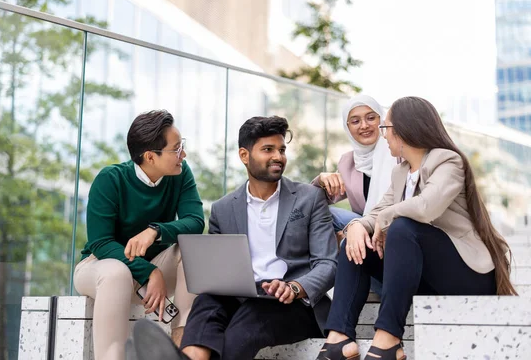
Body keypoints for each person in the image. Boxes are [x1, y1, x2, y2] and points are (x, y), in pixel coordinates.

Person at [316, 97, 516, 360]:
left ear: (404, 130)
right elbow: (376, 213)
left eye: (386, 128)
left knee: (402, 228)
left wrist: (383, 219)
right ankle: (339, 338)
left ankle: (388, 338)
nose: (383, 136)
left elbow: (426, 207)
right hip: (425, 277)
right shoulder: (401, 172)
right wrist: (355, 226)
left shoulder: (447, 161)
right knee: (357, 242)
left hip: (468, 277)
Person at [129, 115, 337, 360]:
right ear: (244, 155)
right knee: (206, 303)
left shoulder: (310, 198)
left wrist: (294, 287)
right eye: (268, 149)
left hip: (295, 304)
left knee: (250, 318)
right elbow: (218, 273)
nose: (278, 157)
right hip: (241, 298)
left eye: (281, 150)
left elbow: (328, 264)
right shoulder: (223, 209)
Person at [73, 110, 204, 360]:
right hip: (100, 268)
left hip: (152, 270)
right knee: (116, 273)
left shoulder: (180, 173)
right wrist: (149, 272)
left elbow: (196, 222)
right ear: (150, 156)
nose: (183, 155)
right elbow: (100, 243)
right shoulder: (110, 179)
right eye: (176, 149)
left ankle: (184, 350)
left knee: (191, 250)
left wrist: (155, 231)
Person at [312, 95, 397, 242]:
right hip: (363, 226)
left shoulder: (396, 151)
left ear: (381, 120)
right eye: (355, 121)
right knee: (319, 212)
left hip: (397, 225)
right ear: (348, 127)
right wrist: (321, 180)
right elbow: (309, 200)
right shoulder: (348, 162)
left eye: (371, 118)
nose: (364, 126)